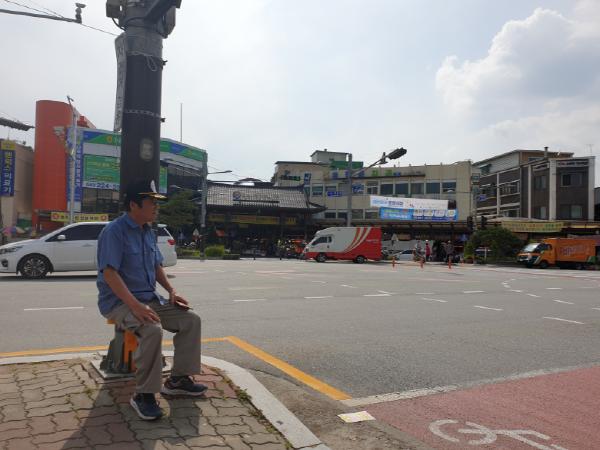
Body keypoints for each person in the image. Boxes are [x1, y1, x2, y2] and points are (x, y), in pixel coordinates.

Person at [97, 179, 206, 421]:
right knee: (152, 329)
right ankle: (143, 394)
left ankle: (178, 380)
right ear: (134, 205)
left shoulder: (148, 231)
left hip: (149, 299)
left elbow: (156, 266)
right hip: (119, 303)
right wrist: (135, 307)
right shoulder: (114, 232)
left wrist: (171, 291)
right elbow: (110, 274)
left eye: (157, 203)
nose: (156, 207)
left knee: (191, 320)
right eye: (151, 202)